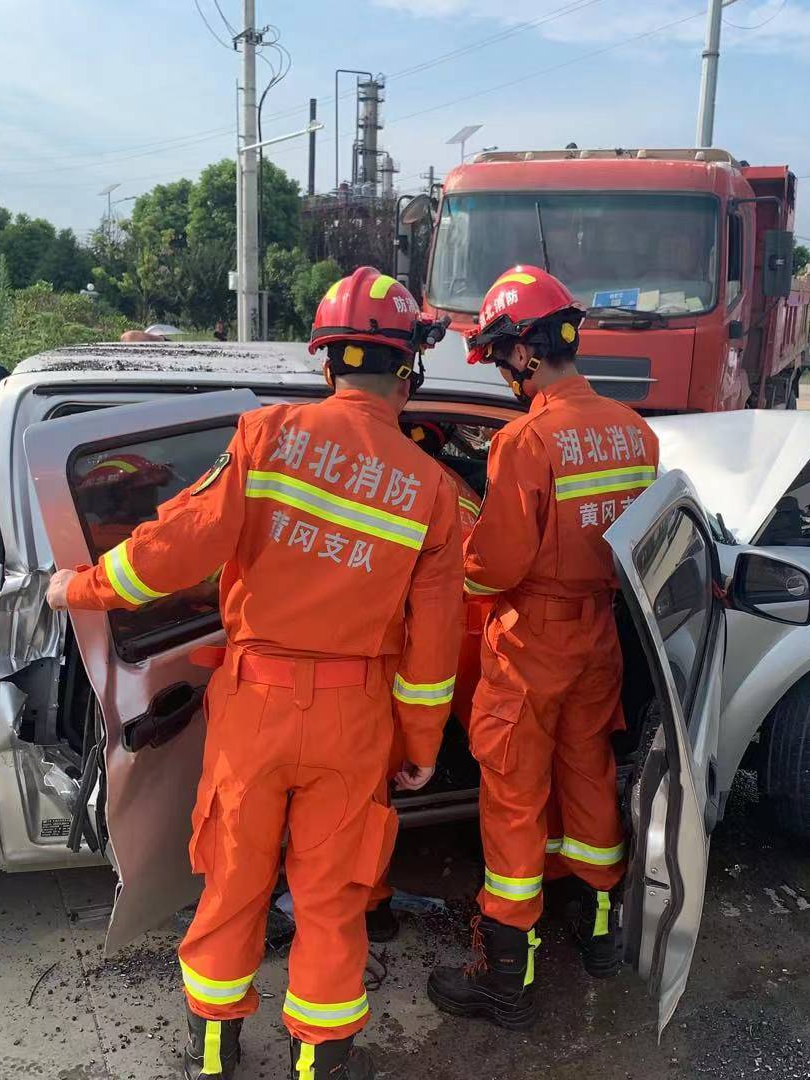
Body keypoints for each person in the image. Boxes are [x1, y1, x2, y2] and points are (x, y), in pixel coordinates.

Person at [48, 265, 462, 1080]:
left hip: (256, 707)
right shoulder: (432, 490)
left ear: (325, 360)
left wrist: (79, 586)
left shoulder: (267, 438)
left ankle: (213, 1054)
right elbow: (434, 648)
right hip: (355, 719)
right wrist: (418, 745)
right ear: (407, 370)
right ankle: (318, 1064)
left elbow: (166, 557)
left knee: (233, 881)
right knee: (333, 896)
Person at [428, 265, 659, 1028]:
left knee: (514, 796)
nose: (500, 370)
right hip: (601, 636)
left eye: (500, 356)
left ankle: (505, 971)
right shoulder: (637, 432)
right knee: (589, 773)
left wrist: (452, 557)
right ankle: (598, 931)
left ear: (526, 353)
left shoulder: (527, 441)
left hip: (532, 641)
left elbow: (494, 567)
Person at [364, 419, 486, 945]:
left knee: (367, 792)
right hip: (475, 642)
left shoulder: (382, 483)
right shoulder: (454, 489)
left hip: (404, 650)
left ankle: (371, 906)